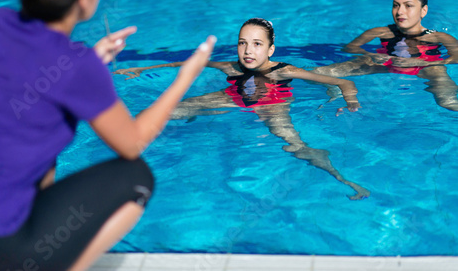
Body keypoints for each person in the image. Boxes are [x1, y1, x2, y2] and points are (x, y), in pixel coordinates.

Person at [0, 0, 215, 270]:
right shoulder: (77, 66)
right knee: (136, 177)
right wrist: (185, 77)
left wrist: (87, 62)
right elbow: (133, 142)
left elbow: (23, 93)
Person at [115, 18, 370, 200]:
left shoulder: (284, 70)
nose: (248, 50)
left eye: (257, 44)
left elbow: (342, 81)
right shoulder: (232, 68)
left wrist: (349, 101)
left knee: (295, 145)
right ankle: (128, 155)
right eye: (242, 43)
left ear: (270, 49)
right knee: (166, 111)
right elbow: (191, 61)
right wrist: (143, 69)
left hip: (273, 106)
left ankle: (343, 180)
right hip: (232, 98)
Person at [312, 0, 458, 111]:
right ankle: (337, 90)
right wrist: (372, 55)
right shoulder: (381, 32)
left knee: (447, 101)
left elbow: (455, 58)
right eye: (396, 5)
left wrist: (421, 62)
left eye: (408, 6)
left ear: (423, 11)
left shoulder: (439, 37)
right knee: (317, 72)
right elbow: (350, 48)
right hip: (386, 64)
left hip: (426, 68)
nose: (400, 11)